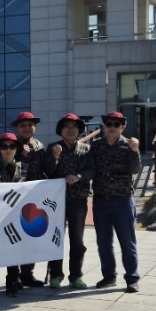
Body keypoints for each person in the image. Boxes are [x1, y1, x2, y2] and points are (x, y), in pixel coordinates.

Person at [42, 113, 101, 289]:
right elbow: (46, 171)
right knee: (55, 239)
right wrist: (54, 157)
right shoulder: (53, 147)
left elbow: (92, 170)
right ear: (60, 130)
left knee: (77, 241)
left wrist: (79, 177)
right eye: (66, 126)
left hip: (78, 201)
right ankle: (56, 275)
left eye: (73, 126)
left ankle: (75, 276)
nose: (70, 129)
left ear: (79, 130)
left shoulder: (86, 149)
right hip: (56, 203)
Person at [87, 111, 143, 293]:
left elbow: (135, 169)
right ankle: (109, 276)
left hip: (122, 200)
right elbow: (90, 169)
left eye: (116, 124)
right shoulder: (95, 146)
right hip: (101, 200)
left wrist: (135, 151)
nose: (112, 127)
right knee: (103, 242)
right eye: (109, 124)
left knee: (127, 242)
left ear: (123, 127)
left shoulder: (128, 146)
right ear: (104, 126)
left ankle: (132, 278)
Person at [0, 133, 30, 296]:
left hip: (19, 214)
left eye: (12, 146)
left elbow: (35, 187)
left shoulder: (25, 167)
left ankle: (13, 279)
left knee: (15, 247)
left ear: (17, 149)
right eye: (4, 146)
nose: (8, 150)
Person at [10, 112, 48, 289]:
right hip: (14, 199)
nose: (26, 128)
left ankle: (27, 274)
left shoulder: (39, 146)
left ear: (35, 127)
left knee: (32, 236)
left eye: (30, 125)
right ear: (17, 128)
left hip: (35, 199)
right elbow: (9, 169)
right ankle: (14, 276)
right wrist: (21, 155)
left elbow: (45, 169)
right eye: (23, 125)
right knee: (15, 238)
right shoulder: (11, 144)